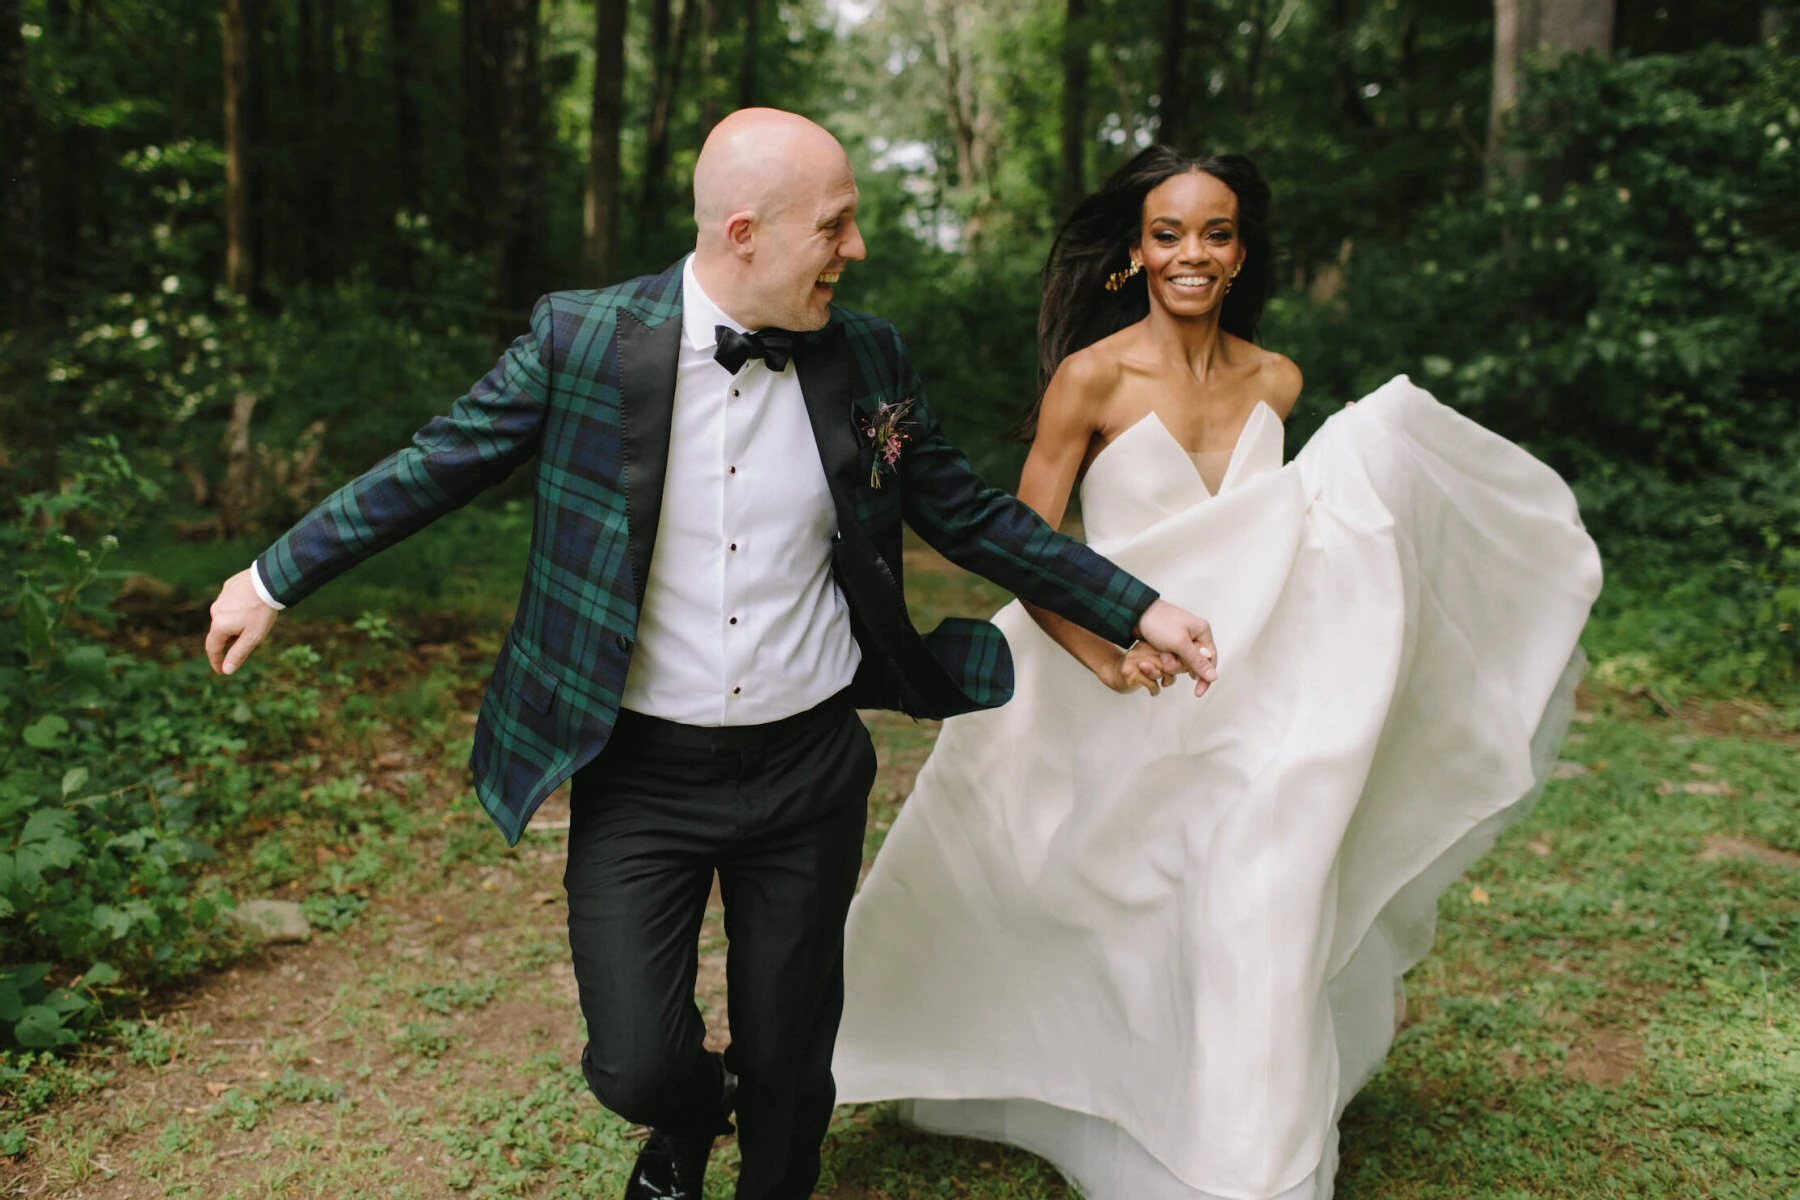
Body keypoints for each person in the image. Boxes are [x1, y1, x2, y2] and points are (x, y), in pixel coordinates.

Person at [202, 111, 1222, 1200]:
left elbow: (969, 513)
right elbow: (433, 466)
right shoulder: (581, 341)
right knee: (635, 1062)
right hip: (641, 773)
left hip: (807, 770)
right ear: (746, 233)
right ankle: (688, 1118)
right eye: (836, 226)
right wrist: (273, 577)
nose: (856, 249)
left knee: (790, 1066)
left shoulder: (866, 355)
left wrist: (1136, 606)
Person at [832, 147, 1604, 1199]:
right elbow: (1022, 542)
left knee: (1259, 898)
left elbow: (1270, 541)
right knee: (1086, 907)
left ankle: (1247, 1161)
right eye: (1168, 233)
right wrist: (1103, 656)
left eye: (1217, 232)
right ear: (1135, 254)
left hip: (1243, 694)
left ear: (1242, 252)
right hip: (1104, 687)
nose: (1192, 253)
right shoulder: (1091, 377)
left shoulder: (1277, 378)